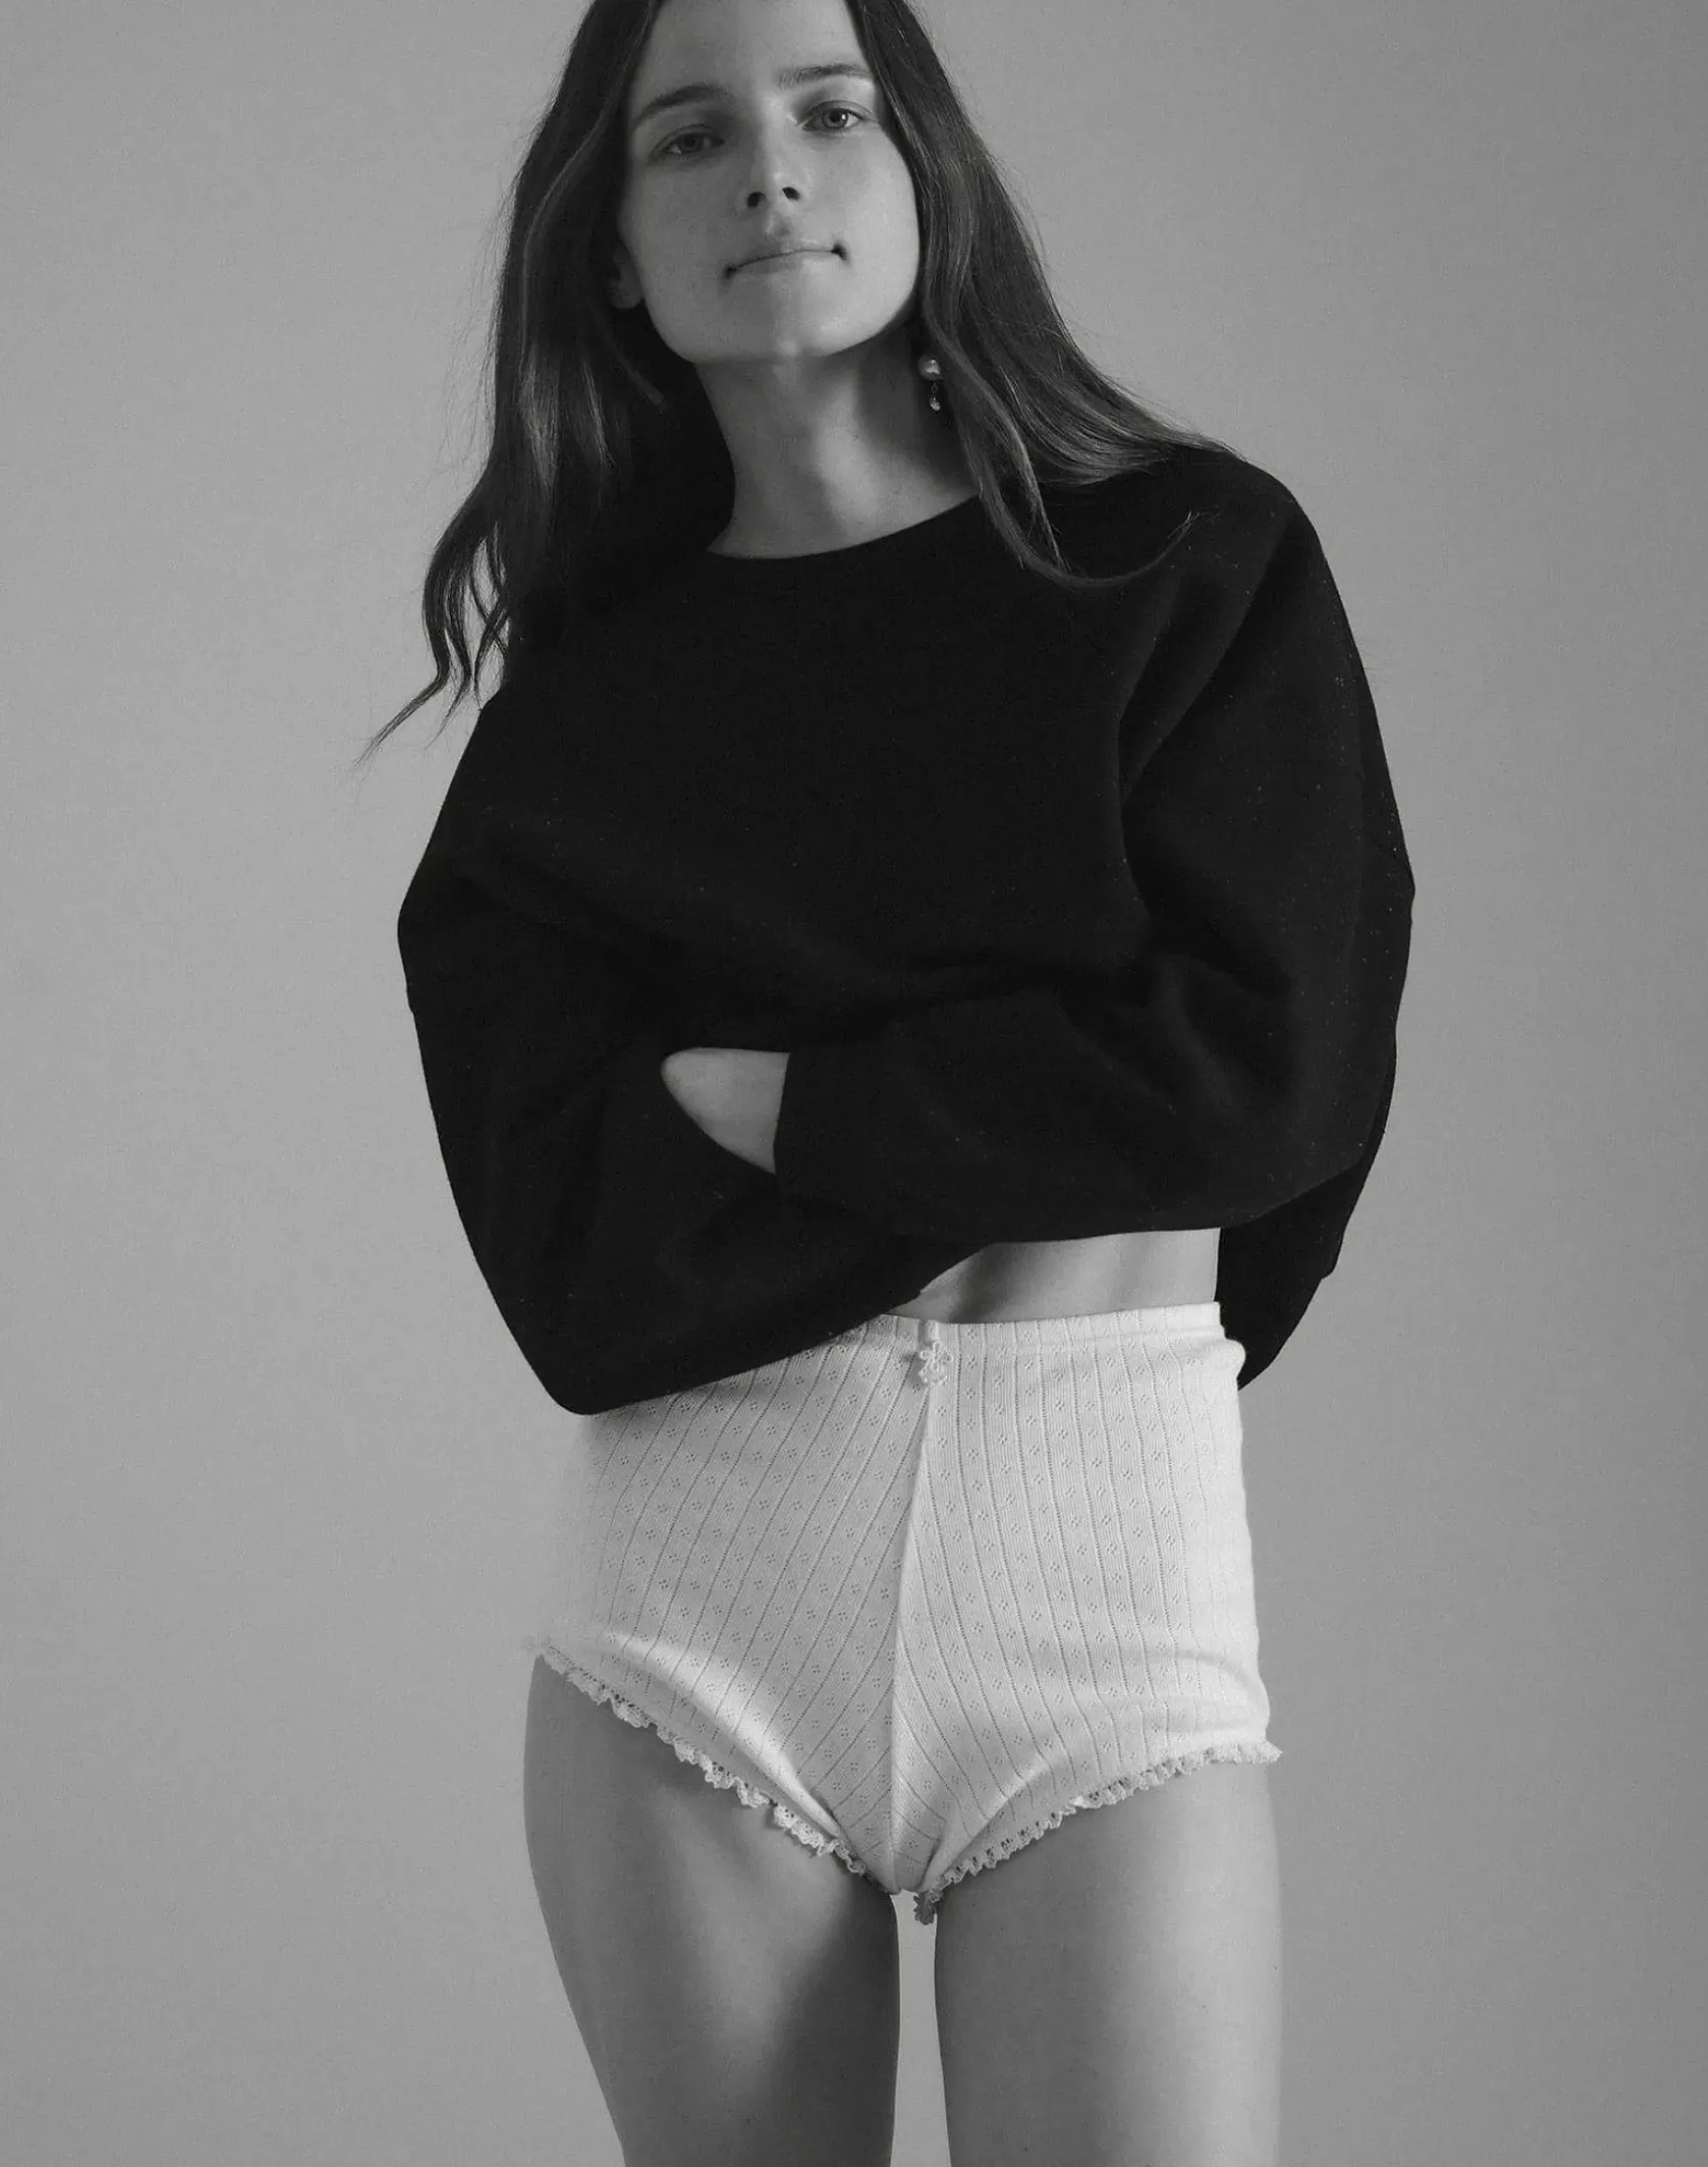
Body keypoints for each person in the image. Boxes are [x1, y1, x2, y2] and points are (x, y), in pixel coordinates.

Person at [373, 1, 1416, 2161]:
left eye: (832, 109)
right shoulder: (585, 708)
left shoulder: (1190, 565)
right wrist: (1061, 1090)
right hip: (696, 1622)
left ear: (925, 165)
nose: (771, 169)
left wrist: (791, 1104)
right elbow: (584, 1277)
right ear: (611, 249)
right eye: (689, 136)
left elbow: (1273, 1082)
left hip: (1098, 1586)